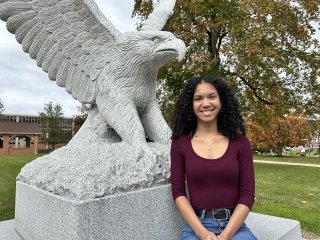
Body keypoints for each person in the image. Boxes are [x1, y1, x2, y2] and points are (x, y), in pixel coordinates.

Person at [170, 74, 257, 240]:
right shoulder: (179, 143)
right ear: (191, 104)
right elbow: (178, 193)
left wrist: (225, 236)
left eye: (212, 96)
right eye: (198, 98)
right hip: (197, 227)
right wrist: (202, 233)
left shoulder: (240, 143)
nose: (206, 103)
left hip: (235, 227)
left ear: (221, 101)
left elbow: (247, 194)